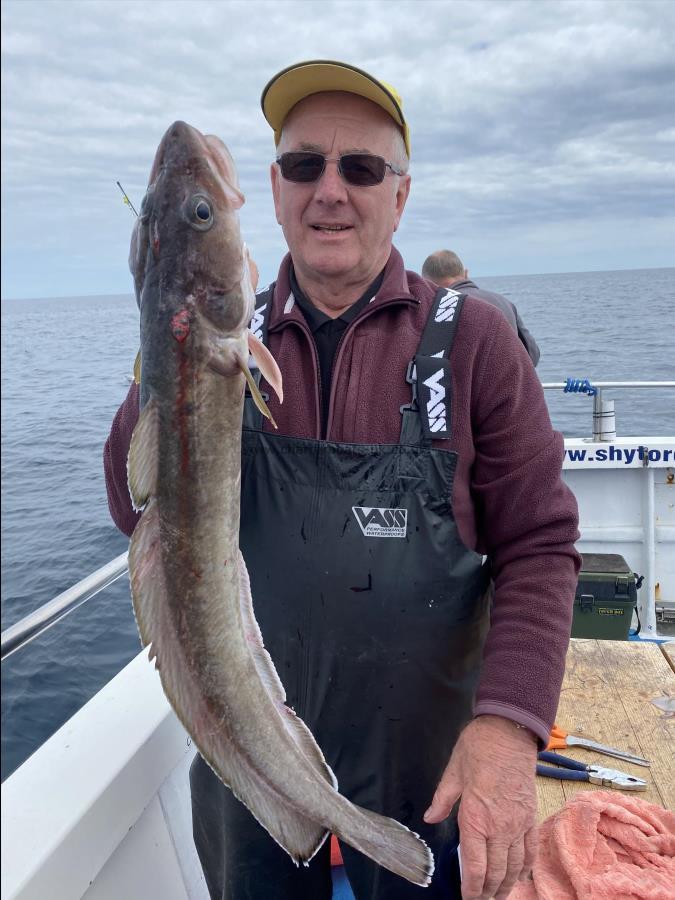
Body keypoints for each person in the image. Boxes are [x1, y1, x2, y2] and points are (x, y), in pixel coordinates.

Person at [104, 60, 580, 900]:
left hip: (430, 760)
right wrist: (157, 331)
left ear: (399, 196)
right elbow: (128, 503)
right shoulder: (211, 338)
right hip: (241, 744)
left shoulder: (473, 341)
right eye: (301, 165)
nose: (329, 190)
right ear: (275, 189)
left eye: (360, 168)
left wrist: (509, 729)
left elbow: (540, 544)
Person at [422, 250, 541, 366]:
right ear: (466, 274)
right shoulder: (504, 302)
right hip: (508, 382)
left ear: (426, 282)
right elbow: (532, 355)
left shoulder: (437, 309)